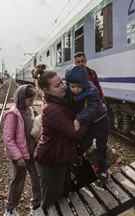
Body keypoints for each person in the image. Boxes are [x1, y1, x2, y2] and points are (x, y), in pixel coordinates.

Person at [33, 70, 84, 211]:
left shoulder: (59, 101)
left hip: (58, 157)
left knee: (60, 197)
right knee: (50, 202)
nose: (63, 86)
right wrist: (81, 120)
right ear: (46, 90)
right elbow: (75, 133)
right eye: (57, 85)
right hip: (50, 160)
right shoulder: (52, 109)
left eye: (61, 82)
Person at [2, 85, 43, 216]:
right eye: (30, 100)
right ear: (21, 98)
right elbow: (8, 139)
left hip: (31, 152)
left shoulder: (29, 110)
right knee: (18, 182)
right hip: (19, 156)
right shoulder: (12, 114)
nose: (32, 102)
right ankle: (10, 209)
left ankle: (36, 205)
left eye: (33, 99)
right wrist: (18, 157)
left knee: (37, 179)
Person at [65, 66, 109, 181]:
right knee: (85, 143)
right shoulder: (69, 91)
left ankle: (102, 170)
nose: (75, 89)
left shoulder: (92, 91)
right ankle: (80, 163)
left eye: (78, 87)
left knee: (101, 146)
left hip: (101, 121)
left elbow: (92, 108)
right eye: (72, 86)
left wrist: (78, 119)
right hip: (89, 122)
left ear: (84, 84)